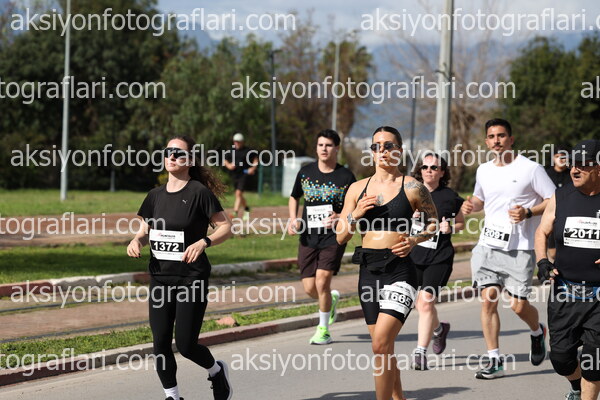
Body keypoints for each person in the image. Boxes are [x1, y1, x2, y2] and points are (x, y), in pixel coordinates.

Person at [127, 135, 233, 400]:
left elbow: (226, 227)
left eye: (179, 153)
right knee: (160, 342)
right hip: (161, 278)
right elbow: (145, 230)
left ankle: (216, 371)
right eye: (168, 152)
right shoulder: (154, 196)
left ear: (190, 160)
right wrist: (136, 240)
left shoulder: (199, 193)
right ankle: (172, 396)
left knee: (186, 345)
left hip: (191, 278)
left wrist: (204, 242)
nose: (172, 156)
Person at [337, 126, 437, 400]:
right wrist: (356, 213)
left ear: (399, 151)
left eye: (388, 145)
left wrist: (414, 240)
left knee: (380, 344)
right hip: (369, 272)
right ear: (371, 152)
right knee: (384, 347)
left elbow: (433, 223)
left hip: (400, 271)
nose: (382, 151)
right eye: (376, 146)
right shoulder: (357, 189)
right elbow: (341, 236)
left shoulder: (413, 187)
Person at [461, 118, 556, 379]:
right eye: (492, 136)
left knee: (517, 306)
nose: (497, 141)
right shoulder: (483, 170)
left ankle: (537, 331)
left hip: (520, 248)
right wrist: (471, 205)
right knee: (488, 301)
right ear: (486, 141)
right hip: (488, 246)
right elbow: (480, 199)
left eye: (501, 136)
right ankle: (495, 361)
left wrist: (528, 212)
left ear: (511, 139)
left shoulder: (531, 169)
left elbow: (552, 200)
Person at [535, 139, 600, 400]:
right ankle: (575, 386)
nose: (574, 169)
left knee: (593, 365)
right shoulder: (561, 196)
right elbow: (542, 231)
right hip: (565, 293)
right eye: (573, 164)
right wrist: (542, 261)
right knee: (561, 359)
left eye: (583, 165)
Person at [288, 129, 356, 344]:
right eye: (320, 145)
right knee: (310, 288)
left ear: (337, 148)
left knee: (322, 281)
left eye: (328, 145)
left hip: (334, 236)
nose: (324, 149)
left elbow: (354, 207)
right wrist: (293, 219)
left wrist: (340, 217)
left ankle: (323, 330)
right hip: (308, 236)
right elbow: (294, 196)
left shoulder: (346, 177)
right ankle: (330, 300)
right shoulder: (305, 172)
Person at [409, 153, 465, 370]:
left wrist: (450, 228)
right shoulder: (410, 192)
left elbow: (460, 222)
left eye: (434, 167)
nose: (429, 171)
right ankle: (439, 330)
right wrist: (410, 219)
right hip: (414, 255)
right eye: (425, 167)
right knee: (420, 304)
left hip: (439, 257)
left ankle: (420, 353)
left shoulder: (450, 197)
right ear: (420, 171)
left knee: (425, 302)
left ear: (442, 172)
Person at [545, 145, 573, 261]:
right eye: (557, 156)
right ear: (553, 158)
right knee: (552, 253)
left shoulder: (573, 173)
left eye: (563, 156)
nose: (561, 159)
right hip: (551, 215)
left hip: (569, 214)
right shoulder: (546, 174)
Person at [224, 133, 258, 221]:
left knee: (238, 193)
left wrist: (252, 168)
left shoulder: (248, 151)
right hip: (235, 175)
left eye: (238, 141)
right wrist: (229, 166)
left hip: (244, 174)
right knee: (239, 194)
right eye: (235, 141)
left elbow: (255, 160)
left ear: (242, 142)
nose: (237, 143)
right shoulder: (231, 151)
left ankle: (235, 212)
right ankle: (246, 208)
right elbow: (225, 161)